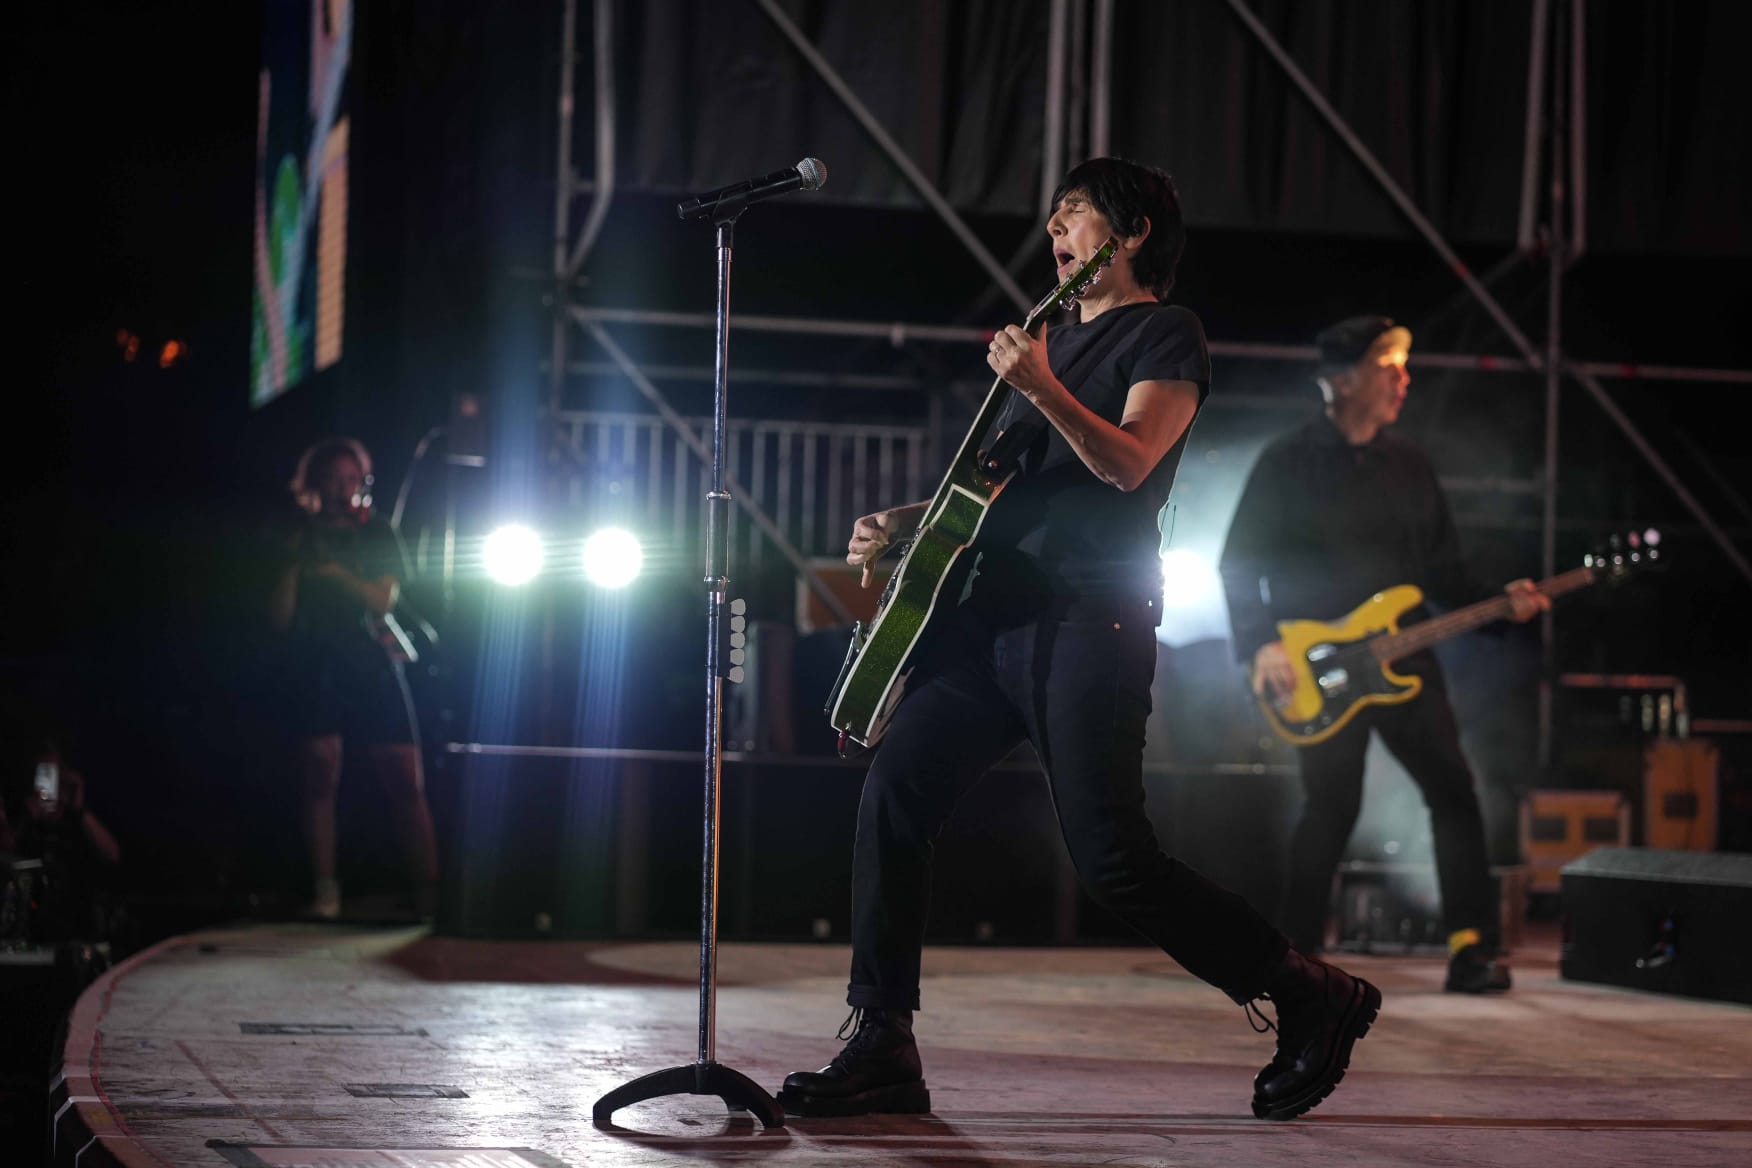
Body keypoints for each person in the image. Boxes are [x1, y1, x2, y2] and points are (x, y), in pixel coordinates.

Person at [778, 158, 1380, 1123]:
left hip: (1089, 619)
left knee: (1112, 860)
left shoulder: (1164, 333)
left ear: (1132, 233)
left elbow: (1129, 462)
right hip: (991, 620)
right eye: (1054, 217)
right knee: (895, 794)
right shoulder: (1049, 340)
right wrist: (905, 522)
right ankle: (883, 1038)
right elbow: (1006, 495)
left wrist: (1043, 384)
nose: (1056, 231)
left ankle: (1309, 990)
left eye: (1076, 213)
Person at [1217, 315, 1549, 993]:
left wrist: (1500, 604)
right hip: (1321, 665)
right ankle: (1293, 959)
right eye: (1388, 368)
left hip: (1405, 661)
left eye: (1403, 368)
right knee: (1332, 806)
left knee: (1454, 792)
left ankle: (1472, 949)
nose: (1404, 381)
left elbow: (1445, 573)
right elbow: (1237, 562)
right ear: (1343, 380)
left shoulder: (1410, 465)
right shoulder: (1286, 462)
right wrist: (1259, 644)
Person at [269, 437, 438, 920]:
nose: (342, 489)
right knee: (320, 770)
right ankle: (325, 890)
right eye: (332, 479)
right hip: (318, 662)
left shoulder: (378, 531)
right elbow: (279, 617)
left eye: (351, 479)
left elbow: (382, 600)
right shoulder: (298, 535)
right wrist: (292, 564)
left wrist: (335, 574)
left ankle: (430, 891)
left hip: (372, 660)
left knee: (404, 774)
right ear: (314, 483)